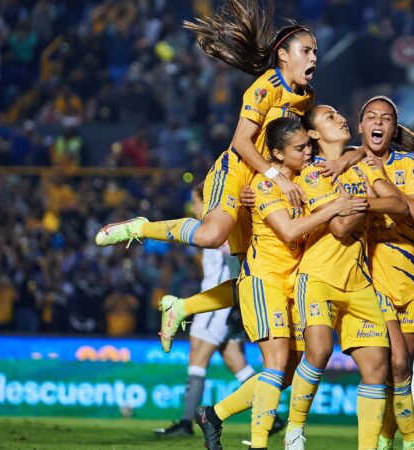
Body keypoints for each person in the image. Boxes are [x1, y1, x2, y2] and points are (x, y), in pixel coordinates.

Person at [93, 0, 360, 351]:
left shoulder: (306, 96)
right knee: (210, 235)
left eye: (315, 52)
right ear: (283, 54)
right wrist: (275, 179)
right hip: (236, 171)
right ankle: (140, 227)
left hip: (262, 186)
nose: (313, 58)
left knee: (256, 277)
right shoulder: (263, 89)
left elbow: (298, 146)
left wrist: (343, 159)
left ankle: (183, 307)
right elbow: (241, 142)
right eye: (306, 50)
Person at [193, 117, 369, 450]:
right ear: (277, 153)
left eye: (308, 145)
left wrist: (350, 157)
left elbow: (355, 153)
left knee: (286, 373)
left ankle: (213, 415)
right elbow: (289, 231)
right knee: (274, 366)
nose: (307, 152)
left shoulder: (306, 176)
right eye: (299, 148)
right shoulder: (263, 185)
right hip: (265, 280)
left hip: (294, 284)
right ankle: (259, 444)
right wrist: (335, 206)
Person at [284, 105, 408, 450]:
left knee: (376, 368)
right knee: (320, 351)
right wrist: (367, 201)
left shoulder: (363, 167)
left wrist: (356, 200)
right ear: (313, 134)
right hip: (320, 275)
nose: (340, 118)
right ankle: (294, 431)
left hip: (359, 281)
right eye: (328, 117)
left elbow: (402, 208)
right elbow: (338, 227)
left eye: (338, 115)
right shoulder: (312, 175)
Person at [153, 183, 269, 437]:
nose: (193, 207)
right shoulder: (218, 226)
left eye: (195, 202)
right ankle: (272, 416)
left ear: (205, 202)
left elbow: (230, 258)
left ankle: (186, 423)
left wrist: (233, 308)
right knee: (236, 362)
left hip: (216, 306)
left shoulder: (219, 228)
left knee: (197, 357)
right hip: (226, 306)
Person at [356, 96, 414, 450]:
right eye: (371, 116)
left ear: (394, 129)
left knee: (404, 371)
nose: (378, 122)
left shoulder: (409, 163)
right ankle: (413, 441)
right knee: (394, 363)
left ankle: (386, 438)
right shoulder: (350, 165)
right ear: (361, 126)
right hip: (371, 278)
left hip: (409, 278)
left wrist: (380, 188)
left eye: (385, 118)